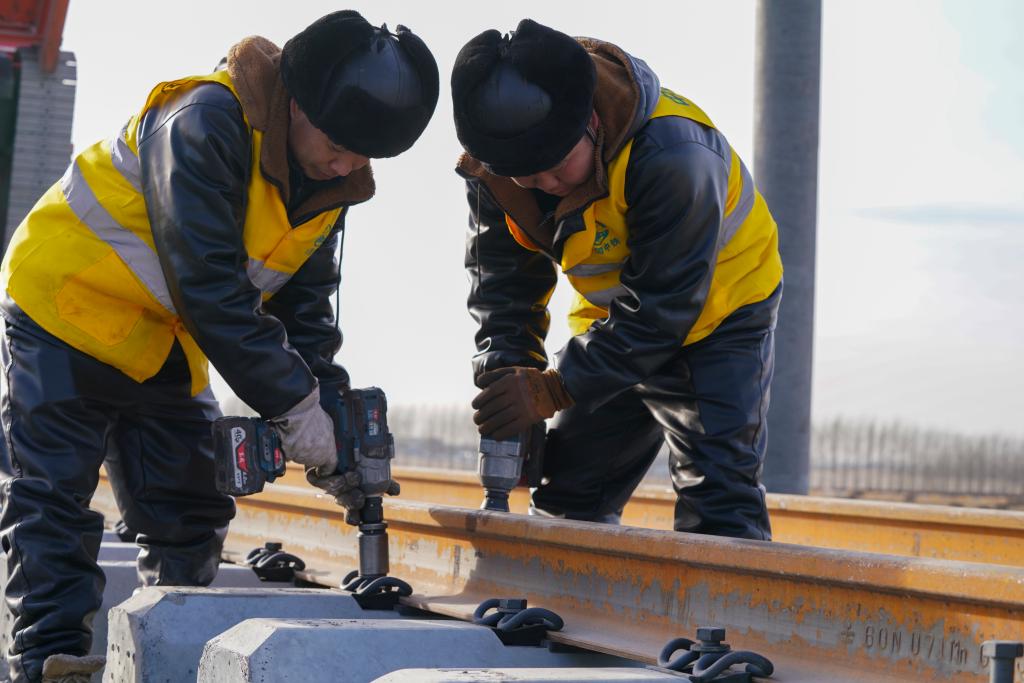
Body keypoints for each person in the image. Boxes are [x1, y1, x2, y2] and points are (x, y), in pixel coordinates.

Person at [0, 11, 438, 682]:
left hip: (161, 337)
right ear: (298, 103)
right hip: (65, 309)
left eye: (363, 156)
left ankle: (162, 649)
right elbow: (208, 286)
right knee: (52, 502)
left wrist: (331, 414)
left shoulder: (327, 184)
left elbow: (303, 312)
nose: (346, 165)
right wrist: (295, 408)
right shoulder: (203, 121)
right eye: (338, 145)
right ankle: (45, 664)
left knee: (189, 508)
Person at [452, 20, 783, 541]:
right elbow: (504, 285)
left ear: (591, 120)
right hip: (614, 322)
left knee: (718, 500)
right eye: (528, 177)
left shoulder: (675, 156)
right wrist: (512, 373)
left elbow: (663, 311)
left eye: (558, 166)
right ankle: (558, 591)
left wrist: (557, 386)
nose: (547, 185)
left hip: (718, 318)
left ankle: (728, 591)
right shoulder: (499, 172)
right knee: (569, 493)